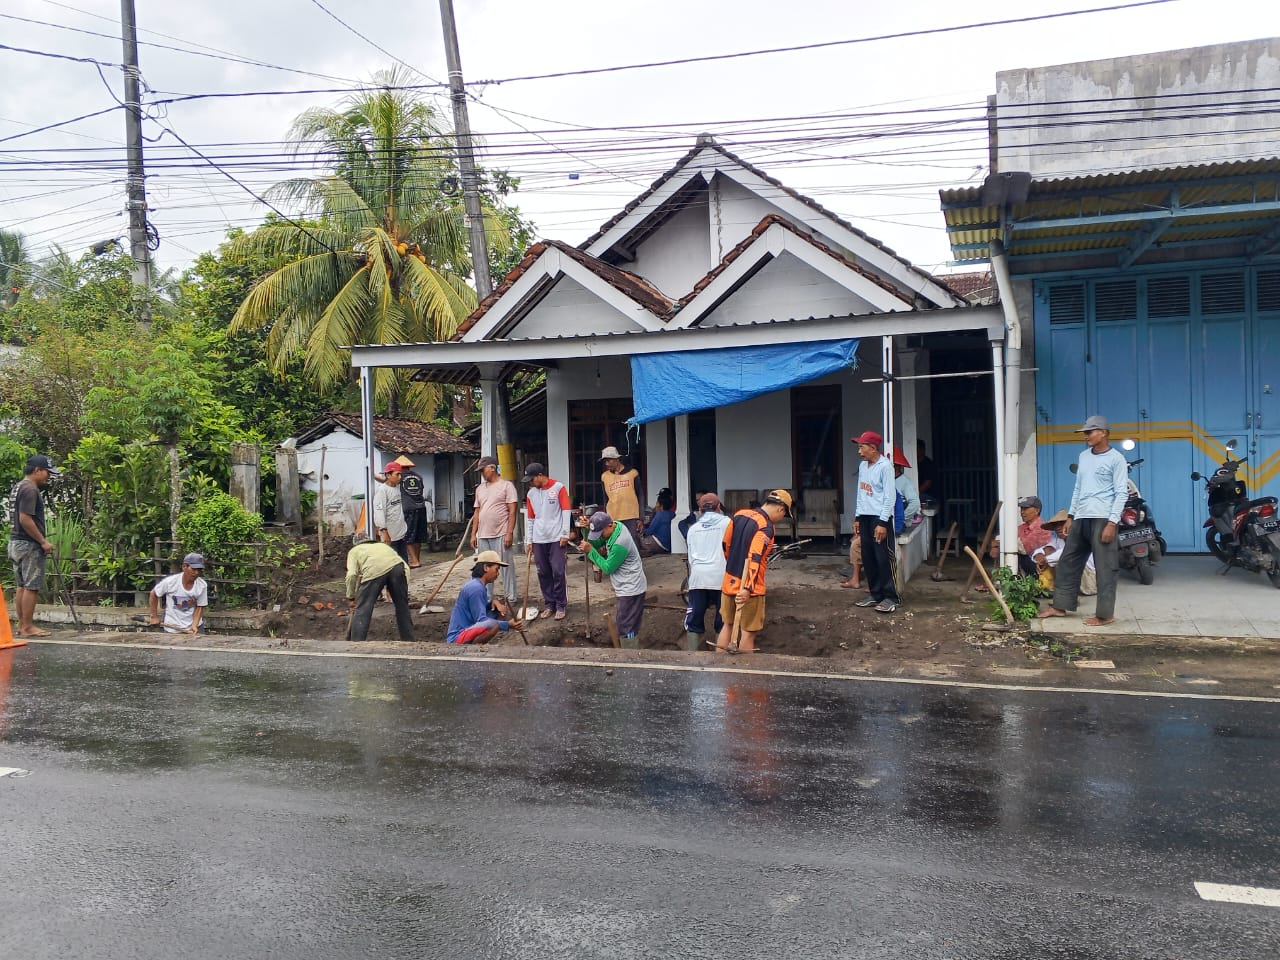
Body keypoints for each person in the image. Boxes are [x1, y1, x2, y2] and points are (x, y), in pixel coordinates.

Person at [1038, 415, 1127, 627]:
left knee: (1106, 567)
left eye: (1090, 432)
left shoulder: (1116, 459)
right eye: (1085, 433)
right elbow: (1078, 489)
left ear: (1103, 433)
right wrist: (1070, 516)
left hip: (1103, 518)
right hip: (1081, 518)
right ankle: (1060, 606)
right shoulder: (1084, 456)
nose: (1086, 436)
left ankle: (1105, 615)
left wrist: (1112, 523)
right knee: (1068, 560)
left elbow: (1121, 493)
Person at [711, 489, 793, 655]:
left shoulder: (740, 514)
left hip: (729, 581)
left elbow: (725, 544)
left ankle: (719, 670)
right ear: (780, 509)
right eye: (783, 515)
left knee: (727, 624)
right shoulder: (766, 527)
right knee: (748, 633)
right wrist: (747, 588)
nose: (780, 519)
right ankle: (744, 676)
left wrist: (732, 566)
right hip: (750, 588)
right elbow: (754, 558)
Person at [576, 510, 648, 646]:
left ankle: (630, 655)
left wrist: (590, 551)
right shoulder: (615, 526)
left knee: (627, 627)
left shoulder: (621, 542)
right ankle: (628, 649)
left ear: (609, 526)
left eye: (601, 533)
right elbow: (597, 542)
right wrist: (587, 531)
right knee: (625, 624)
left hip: (631, 588)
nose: (600, 536)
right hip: (625, 586)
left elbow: (608, 568)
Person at [6, 454, 58, 638]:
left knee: (21, 585)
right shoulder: (30, 489)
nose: (48, 476)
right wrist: (43, 541)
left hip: (15, 542)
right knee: (32, 586)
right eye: (47, 472)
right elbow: (25, 518)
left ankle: (22, 625)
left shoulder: (18, 486)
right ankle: (27, 626)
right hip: (29, 544)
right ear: (37, 470)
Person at [852, 431, 901, 613]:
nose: (859, 451)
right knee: (868, 556)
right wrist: (857, 517)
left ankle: (891, 597)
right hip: (865, 516)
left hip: (879, 518)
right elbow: (861, 494)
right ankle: (875, 593)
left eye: (862, 447)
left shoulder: (885, 466)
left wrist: (882, 522)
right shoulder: (863, 466)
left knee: (883, 557)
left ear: (873, 448)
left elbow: (890, 497)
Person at [523, 462, 572, 621]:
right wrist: (529, 540)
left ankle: (561, 604)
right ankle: (549, 603)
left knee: (558, 571)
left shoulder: (558, 488)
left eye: (531, 479)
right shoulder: (531, 494)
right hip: (539, 538)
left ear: (540, 475)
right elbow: (530, 518)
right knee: (543, 572)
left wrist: (565, 533)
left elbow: (566, 511)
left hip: (556, 537)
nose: (530, 483)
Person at [681, 493, 729, 651]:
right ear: (719, 507)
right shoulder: (728, 523)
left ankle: (694, 656)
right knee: (723, 618)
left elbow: (691, 558)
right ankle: (721, 656)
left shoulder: (693, 529)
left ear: (700, 511)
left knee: (694, 618)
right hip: (722, 578)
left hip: (698, 579)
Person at [445, 550, 524, 644]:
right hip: (457, 637)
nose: (498, 574)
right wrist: (508, 625)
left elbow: (477, 611)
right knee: (493, 625)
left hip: (466, 630)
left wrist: (492, 603)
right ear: (486, 567)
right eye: (496, 569)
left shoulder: (477, 586)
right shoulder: (476, 588)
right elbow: (481, 620)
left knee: (497, 612)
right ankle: (471, 649)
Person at [345, 540, 415, 642]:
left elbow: (351, 575)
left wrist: (351, 597)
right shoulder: (384, 546)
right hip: (397, 567)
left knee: (363, 608)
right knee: (402, 607)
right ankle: (409, 640)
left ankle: (357, 642)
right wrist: (402, 588)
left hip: (373, 570)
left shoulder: (354, 551)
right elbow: (406, 567)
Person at [470, 456, 518, 601]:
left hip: (501, 533)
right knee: (484, 567)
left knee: (505, 566)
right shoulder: (480, 489)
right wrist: (474, 534)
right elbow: (477, 512)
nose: (482, 474)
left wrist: (509, 533)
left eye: (483, 470)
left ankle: (511, 597)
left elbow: (512, 510)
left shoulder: (506, 486)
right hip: (483, 534)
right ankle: (487, 597)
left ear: (492, 468)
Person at [147, 552, 209, 634]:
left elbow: (200, 607)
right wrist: (154, 616)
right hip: (172, 628)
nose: (196, 573)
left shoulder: (202, 585)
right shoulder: (170, 582)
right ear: (184, 567)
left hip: (194, 626)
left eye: (199, 570)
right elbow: (154, 594)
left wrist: (194, 625)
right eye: (193, 569)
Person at [599, 445, 642, 536]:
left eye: (608, 460)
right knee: (616, 544)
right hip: (613, 518)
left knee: (632, 544)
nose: (606, 463)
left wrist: (640, 518)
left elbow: (640, 496)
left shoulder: (632, 473)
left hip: (631, 517)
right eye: (605, 461)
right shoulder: (604, 477)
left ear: (617, 459)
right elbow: (605, 500)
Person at [373, 462, 409, 562]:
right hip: (389, 535)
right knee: (392, 564)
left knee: (403, 563)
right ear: (388, 475)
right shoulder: (382, 491)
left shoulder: (397, 488)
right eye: (397, 474)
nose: (400, 477)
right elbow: (379, 511)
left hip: (400, 533)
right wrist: (384, 531)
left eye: (400, 474)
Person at [396, 456, 428, 568]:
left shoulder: (400, 477)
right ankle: (417, 559)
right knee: (418, 535)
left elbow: (387, 481)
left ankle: (414, 560)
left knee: (407, 534)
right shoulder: (418, 477)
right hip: (421, 507)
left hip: (409, 508)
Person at [637, 487, 675, 556]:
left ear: (661, 505)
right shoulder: (672, 514)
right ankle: (648, 551)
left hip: (659, 543)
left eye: (657, 503)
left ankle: (648, 551)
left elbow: (649, 531)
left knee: (636, 539)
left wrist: (641, 530)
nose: (656, 505)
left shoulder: (659, 515)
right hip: (668, 546)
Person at [892, 446, 920, 524]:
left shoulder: (905, 482)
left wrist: (902, 518)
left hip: (899, 524)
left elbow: (915, 503)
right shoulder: (887, 480)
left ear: (896, 466)